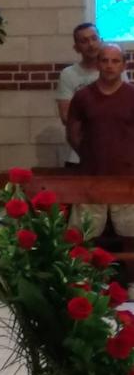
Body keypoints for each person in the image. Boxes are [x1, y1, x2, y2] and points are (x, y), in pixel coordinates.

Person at [67, 44, 134, 284]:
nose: (109, 66)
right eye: (104, 60)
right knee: (83, 237)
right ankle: (85, 284)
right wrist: (90, 155)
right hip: (90, 178)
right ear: (98, 64)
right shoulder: (83, 97)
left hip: (127, 180)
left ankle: (132, 285)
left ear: (123, 65)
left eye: (115, 61)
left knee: (131, 237)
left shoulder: (131, 95)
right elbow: (73, 133)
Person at [56, 23, 117, 168]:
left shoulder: (114, 71)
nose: (91, 44)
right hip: (77, 154)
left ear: (101, 40)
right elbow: (66, 116)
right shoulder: (68, 74)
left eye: (94, 38)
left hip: (113, 153)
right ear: (76, 47)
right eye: (84, 41)